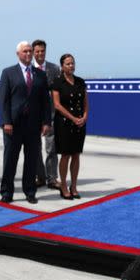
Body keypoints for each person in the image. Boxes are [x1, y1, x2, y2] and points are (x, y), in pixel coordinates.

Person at [0, 41, 50, 204]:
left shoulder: (40, 75)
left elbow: (45, 101)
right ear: (18, 54)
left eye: (30, 51)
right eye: (25, 51)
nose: (28, 54)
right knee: (10, 160)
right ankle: (7, 192)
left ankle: (30, 191)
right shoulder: (8, 73)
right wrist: (6, 121)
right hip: (13, 125)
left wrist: (46, 122)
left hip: (33, 125)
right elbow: (3, 100)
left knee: (31, 160)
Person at [51, 53, 89, 200]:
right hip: (64, 124)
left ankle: (74, 186)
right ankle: (64, 186)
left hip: (80, 124)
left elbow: (85, 102)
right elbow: (57, 105)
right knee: (66, 155)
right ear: (62, 66)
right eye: (68, 64)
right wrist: (73, 118)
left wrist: (84, 116)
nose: (71, 66)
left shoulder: (80, 81)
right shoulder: (57, 82)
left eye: (72, 63)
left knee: (76, 154)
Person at [32, 39, 61, 189]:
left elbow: (59, 91)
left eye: (42, 51)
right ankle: (40, 176)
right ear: (32, 52)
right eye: (37, 51)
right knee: (35, 148)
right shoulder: (28, 69)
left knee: (51, 148)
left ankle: (52, 178)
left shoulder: (55, 69)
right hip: (32, 116)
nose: (40, 54)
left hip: (50, 115)